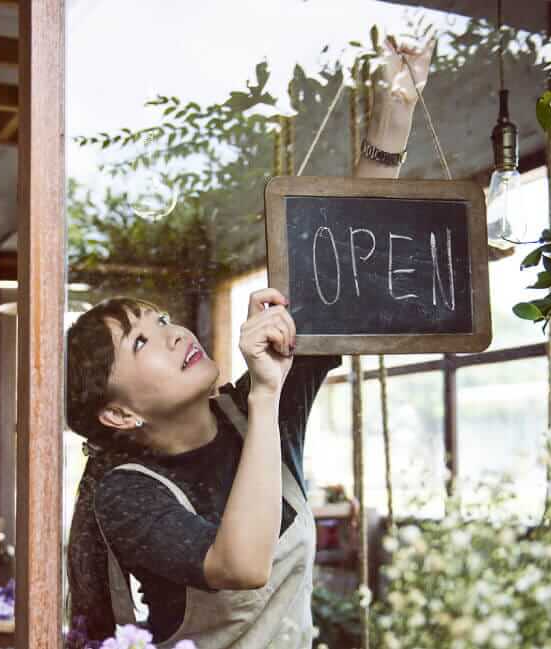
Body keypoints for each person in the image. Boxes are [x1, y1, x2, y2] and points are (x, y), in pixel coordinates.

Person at [66, 37, 435, 649]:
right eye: (142, 342)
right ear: (119, 412)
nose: (173, 332)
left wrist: (398, 106)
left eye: (161, 319)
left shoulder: (257, 407)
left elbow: (347, 254)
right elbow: (239, 566)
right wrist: (265, 394)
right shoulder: (126, 493)